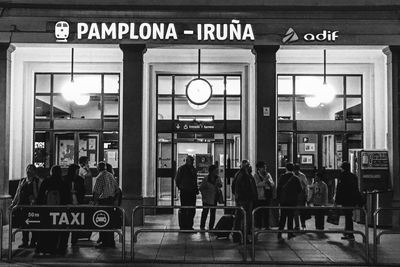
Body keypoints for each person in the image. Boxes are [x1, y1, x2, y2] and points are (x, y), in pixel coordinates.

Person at [36, 165, 69, 255]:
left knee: (46, 229)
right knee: (59, 230)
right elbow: (67, 198)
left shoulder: (46, 182)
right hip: (60, 211)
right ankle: (59, 248)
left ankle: (44, 248)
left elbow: (40, 196)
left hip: (47, 210)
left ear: (51, 172)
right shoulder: (63, 183)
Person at [10, 164, 40, 248]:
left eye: (30, 169)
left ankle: (33, 242)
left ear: (34, 171)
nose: (28, 171)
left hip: (33, 207)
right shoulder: (22, 181)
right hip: (22, 206)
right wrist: (13, 203)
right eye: (27, 169)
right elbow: (17, 193)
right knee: (24, 224)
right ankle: (25, 241)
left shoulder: (37, 181)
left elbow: (39, 194)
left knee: (33, 224)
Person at [93, 162, 119, 248]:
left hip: (103, 201)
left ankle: (104, 242)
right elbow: (117, 189)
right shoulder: (110, 175)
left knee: (103, 223)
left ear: (98, 168)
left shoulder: (99, 177)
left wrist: (95, 202)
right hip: (111, 201)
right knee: (109, 222)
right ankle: (111, 241)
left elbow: (96, 192)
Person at [233, 160, 257, 243]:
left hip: (241, 199)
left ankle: (237, 236)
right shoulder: (244, 176)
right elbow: (246, 188)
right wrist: (250, 196)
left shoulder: (238, 175)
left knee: (239, 218)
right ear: (246, 167)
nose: (251, 167)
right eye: (249, 165)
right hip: (245, 200)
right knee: (246, 219)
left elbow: (233, 188)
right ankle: (243, 237)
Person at [335, 161, 359, 240]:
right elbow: (356, 189)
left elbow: (339, 189)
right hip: (352, 199)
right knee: (349, 215)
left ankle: (350, 233)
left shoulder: (342, 176)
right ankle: (347, 232)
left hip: (345, 199)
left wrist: (336, 200)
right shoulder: (353, 176)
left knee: (348, 216)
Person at [277, 163, 302, 239]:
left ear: (286, 168)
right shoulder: (296, 178)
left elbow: (278, 189)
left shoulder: (282, 177)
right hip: (292, 200)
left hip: (283, 200)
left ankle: (280, 233)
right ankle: (290, 233)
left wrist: (279, 198)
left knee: (283, 217)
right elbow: (299, 189)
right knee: (290, 217)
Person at [64, 164, 86, 246]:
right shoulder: (65, 179)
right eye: (76, 171)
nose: (77, 172)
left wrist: (78, 193)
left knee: (76, 223)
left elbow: (83, 190)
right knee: (66, 222)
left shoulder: (80, 179)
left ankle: (74, 239)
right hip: (68, 202)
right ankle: (65, 240)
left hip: (77, 202)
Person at [175, 155, 199, 230]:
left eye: (193, 161)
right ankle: (183, 225)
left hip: (192, 191)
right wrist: (181, 187)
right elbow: (177, 180)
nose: (192, 162)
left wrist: (196, 189)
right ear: (187, 161)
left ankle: (189, 225)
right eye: (191, 161)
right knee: (184, 209)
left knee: (192, 209)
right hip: (185, 191)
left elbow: (194, 181)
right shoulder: (181, 169)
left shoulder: (193, 170)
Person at [199, 165, 222, 230]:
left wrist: (218, 185)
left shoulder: (218, 178)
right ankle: (202, 226)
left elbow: (220, 185)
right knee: (205, 212)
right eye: (216, 170)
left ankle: (211, 227)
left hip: (214, 198)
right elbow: (201, 188)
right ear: (212, 171)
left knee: (213, 213)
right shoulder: (206, 179)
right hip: (206, 198)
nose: (217, 171)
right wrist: (204, 194)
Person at [253, 161, 275, 229]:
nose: (265, 169)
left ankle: (267, 225)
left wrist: (269, 182)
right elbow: (257, 184)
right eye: (263, 167)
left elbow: (272, 184)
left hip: (267, 196)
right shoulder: (256, 175)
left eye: (265, 167)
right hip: (259, 196)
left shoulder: (268, 174)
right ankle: (258, 226)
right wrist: (265, 181)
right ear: (259, 168)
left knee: (266, 212)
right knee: (258, 212)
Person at [293, 164, 309, 230]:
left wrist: (306, 195)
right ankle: (297, 226)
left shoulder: (302, 176)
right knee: (295, 211)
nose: (295, 171)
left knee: (302, 211)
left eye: (296, 170)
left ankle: (303, 225)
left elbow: (306, 186)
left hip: (301, 195)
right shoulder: (293, 175)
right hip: (295, 194)